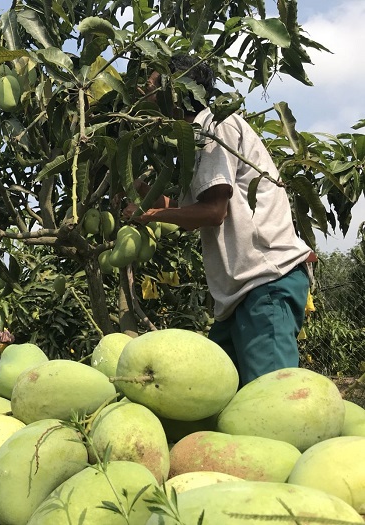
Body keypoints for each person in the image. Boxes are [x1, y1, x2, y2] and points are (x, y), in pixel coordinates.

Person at [124, 54, 314, 387]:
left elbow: (212, 213)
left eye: (154, 85)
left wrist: (148, 215)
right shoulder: (195, 141)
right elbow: (189, 209)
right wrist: (137, 188)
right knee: (217, 394)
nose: (146, 93)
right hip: (238, 295)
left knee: (273, 399)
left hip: (265, 282)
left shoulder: (214, 127)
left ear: (179, 90)